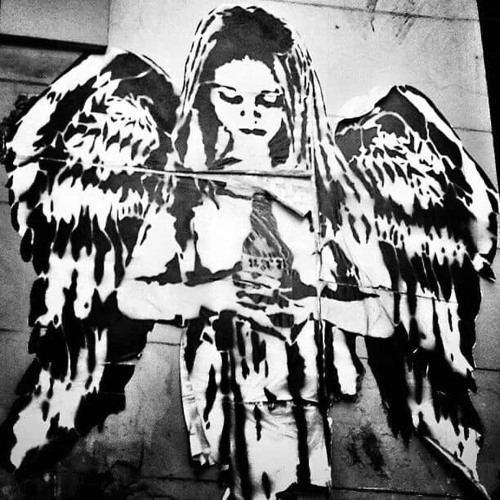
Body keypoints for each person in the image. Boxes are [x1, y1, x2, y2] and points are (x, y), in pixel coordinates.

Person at [1, 5, 497, 500]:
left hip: (304, 393)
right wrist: (216, 293)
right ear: (207, 96)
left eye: (268, 99)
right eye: (231, 97)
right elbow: (133, 295)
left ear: (293, 99)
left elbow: (382, 315)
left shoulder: (327, 194)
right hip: (234, 391)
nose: (250, 115)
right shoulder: (188, 191)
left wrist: (313, 299)